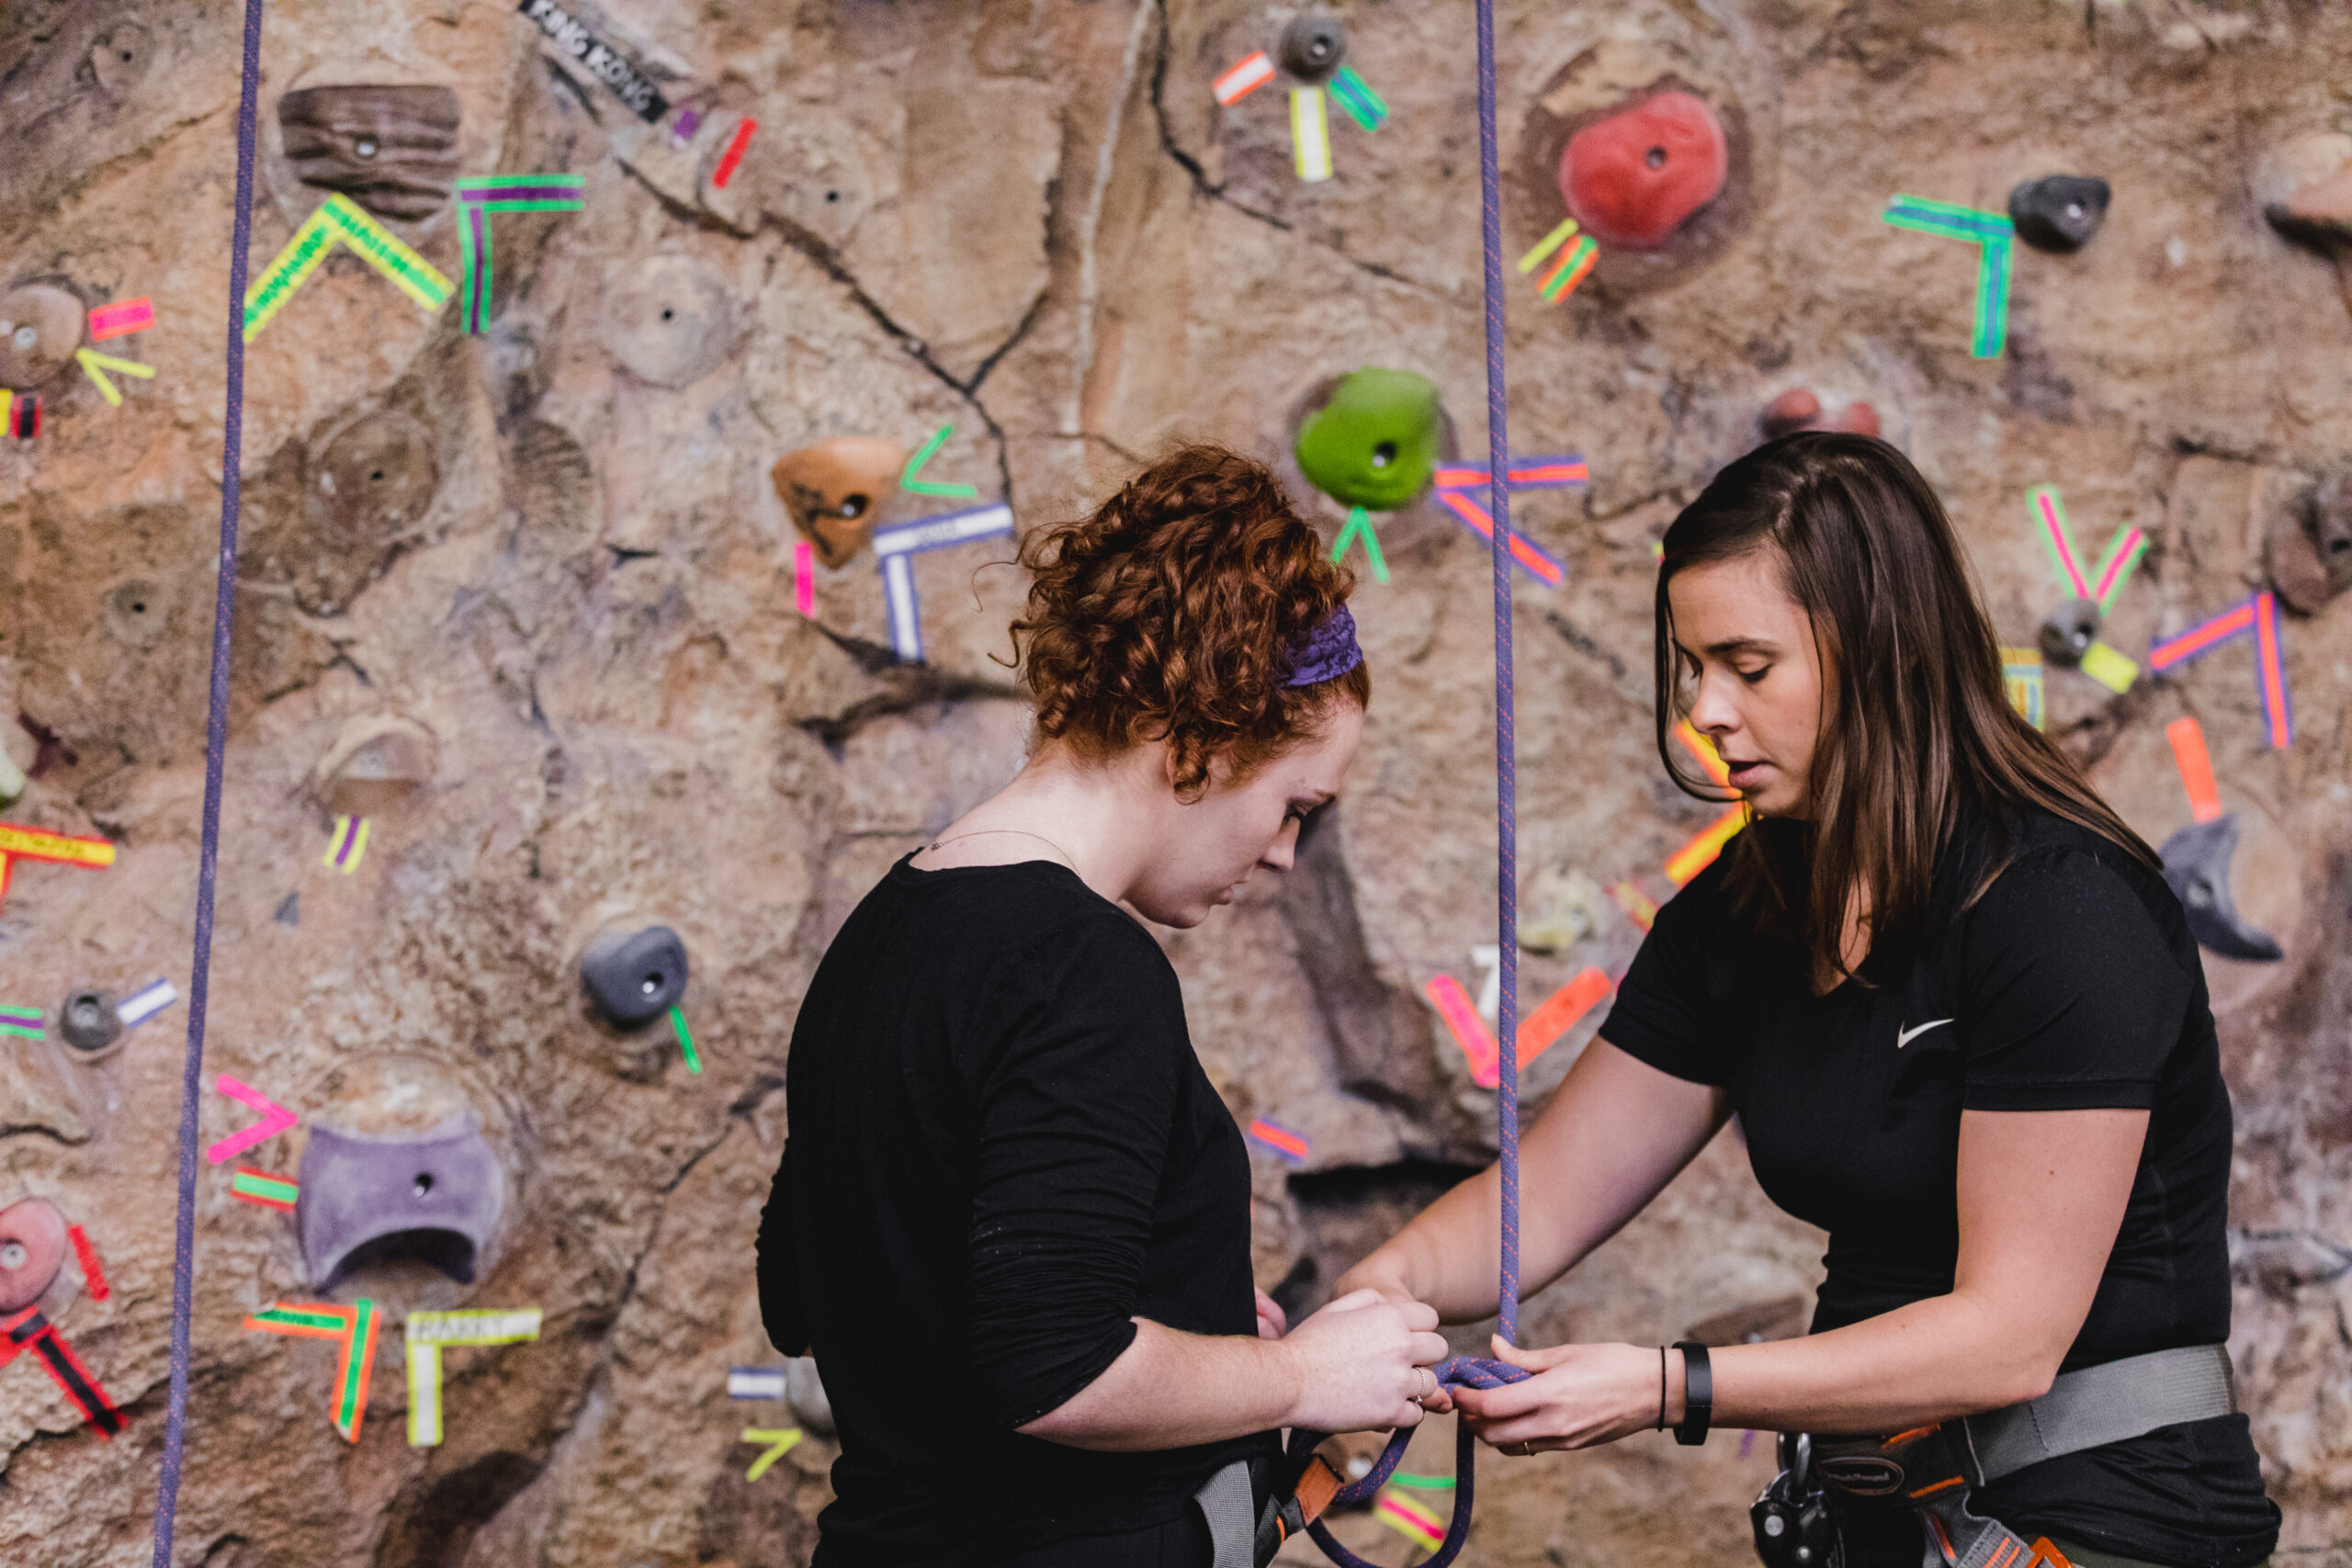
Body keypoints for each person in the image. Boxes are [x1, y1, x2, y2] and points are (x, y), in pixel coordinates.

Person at [1339, 434, 2279, 1568]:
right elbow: (1540, 1204)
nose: (1705, 712)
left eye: (1747, 665)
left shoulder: (2060, 909)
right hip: (1880, 1518)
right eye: (1692, 669)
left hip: (2112, 1515)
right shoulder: (1743, 912)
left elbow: (2009, 1341)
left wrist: (1666, 1386)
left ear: (1879, 652)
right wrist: (1373, 1298)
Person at [757, 445, 1450, 1568]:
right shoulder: (1086, 970)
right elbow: (1055, 1370)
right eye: (1291, 807)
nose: (1281, 857)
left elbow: (810, 1290)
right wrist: (1303, 1376)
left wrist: (1198, 1335)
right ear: (1204, 742)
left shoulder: (887, 928)